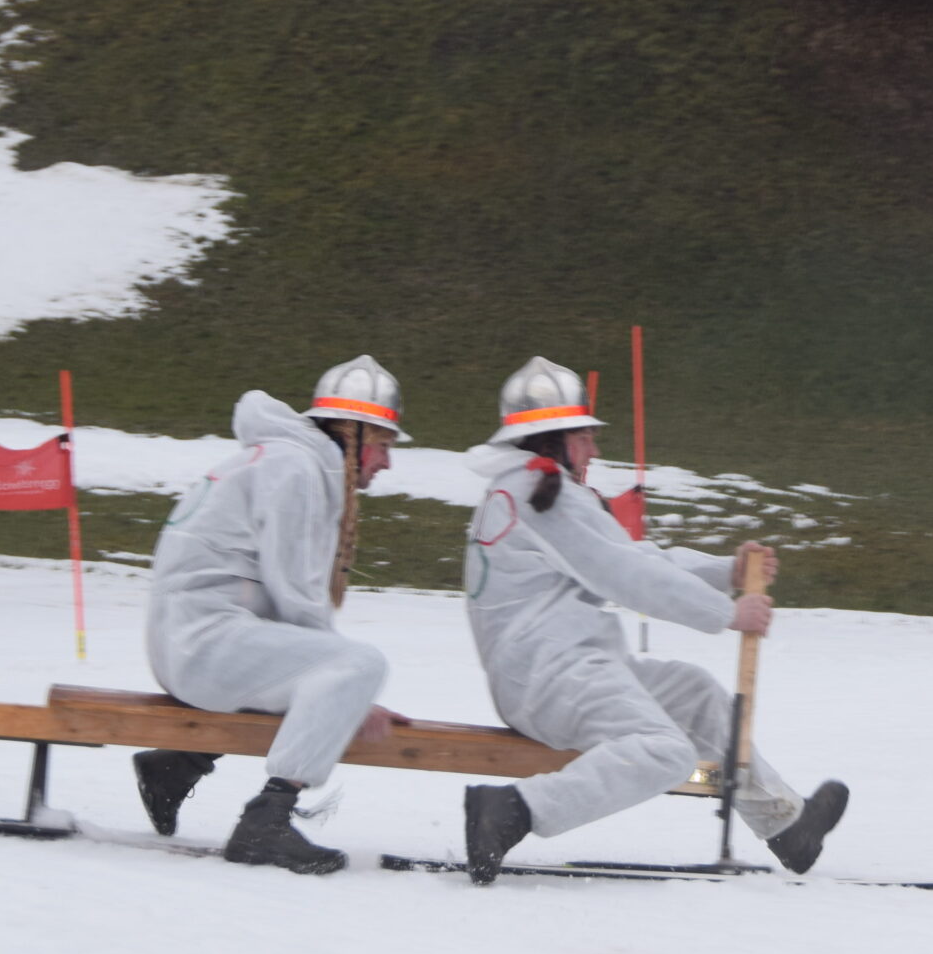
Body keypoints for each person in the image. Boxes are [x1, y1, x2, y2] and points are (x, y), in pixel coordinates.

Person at [459, 356, 850, 885]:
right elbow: (629, 575)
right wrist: (728, 614)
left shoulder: (533, 488)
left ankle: (787, 827)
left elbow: (634, 558)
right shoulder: (539, 492)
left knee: (697, 694)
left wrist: (725, 572)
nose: (594, 450)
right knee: (666, 751)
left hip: (563, 668)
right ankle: (512, 810)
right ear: (554, 438)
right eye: (584, 437)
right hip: (550, 676)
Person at [135, 355, 408, 875]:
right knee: (359, 664)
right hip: (204, 645)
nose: (387, 463)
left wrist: (335, 685)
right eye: (384, 445)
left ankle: (176, 765)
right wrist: (347, 689)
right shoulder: (296, 469)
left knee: (326, 672)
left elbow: (283, 600)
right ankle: (267, 821)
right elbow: (297, 591)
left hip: (189, 640)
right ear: (353, 435)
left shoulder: (283, 459)